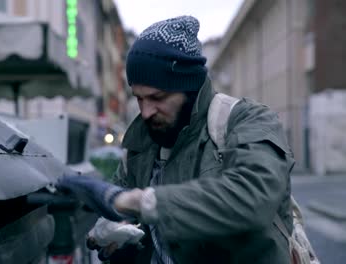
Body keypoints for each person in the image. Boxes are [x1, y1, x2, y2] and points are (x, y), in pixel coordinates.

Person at [57, 15, 295, 264]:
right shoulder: (139, 146)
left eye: (157, 97)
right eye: (139, 98)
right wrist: (123, 246)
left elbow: (253, 197)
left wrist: (136, 201)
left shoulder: (248, 120)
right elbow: (139, 232)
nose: (146, 111)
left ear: (189, 87)